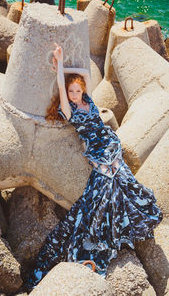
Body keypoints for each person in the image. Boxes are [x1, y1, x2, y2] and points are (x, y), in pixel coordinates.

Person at [27, 43, 162, 290]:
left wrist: (63, 63)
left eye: (77, 90)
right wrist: (60, 70)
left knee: (127, 184)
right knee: (101, 197)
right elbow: (61, 86)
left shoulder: (88, 97)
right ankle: (101, 243)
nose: (75, 94)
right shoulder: (68, 110)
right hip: (98, 153)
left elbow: (85, 73)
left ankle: (136, 226)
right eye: (71, 91)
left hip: (111, 144)